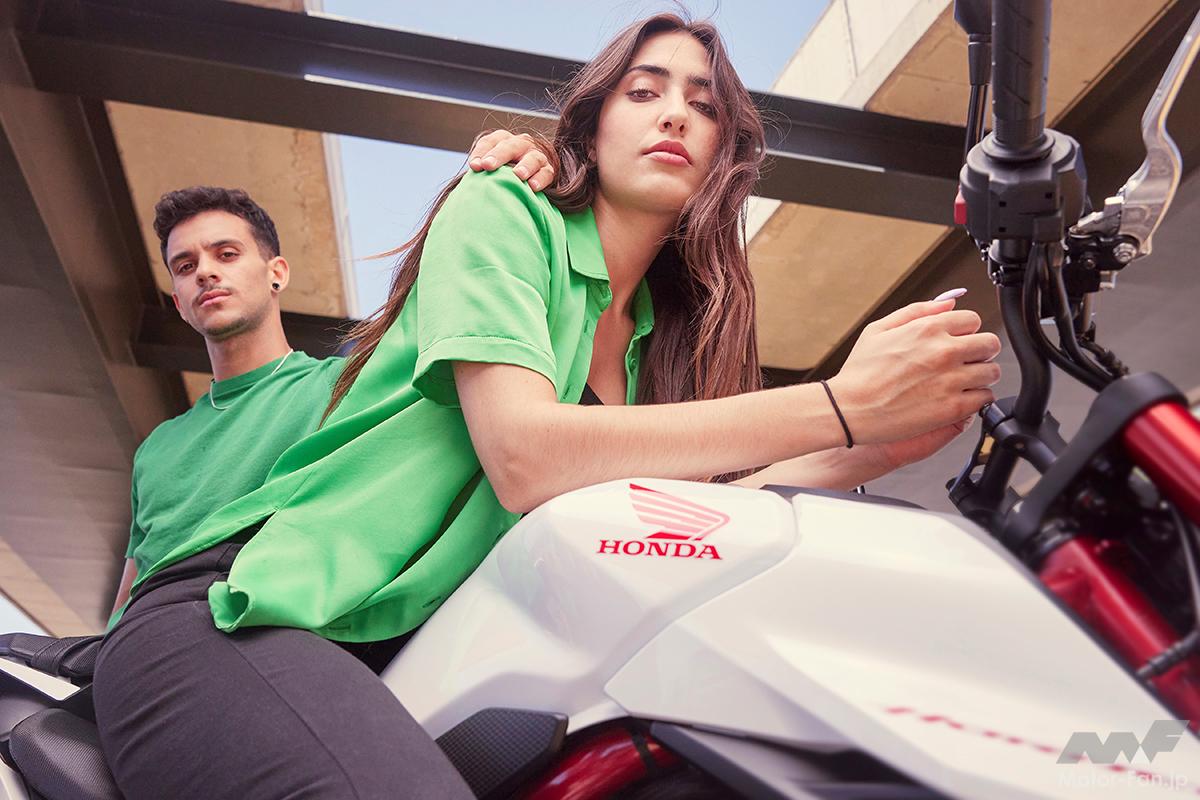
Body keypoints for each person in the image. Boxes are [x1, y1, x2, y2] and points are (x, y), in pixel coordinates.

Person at [93, 13, 1002, 800]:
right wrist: (841, 403)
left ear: (724, 158)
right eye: (644, 91)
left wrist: (867, 444)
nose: (676, 113)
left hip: (400, 666)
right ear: (593, 127)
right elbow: (525, 455)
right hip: (238, 619)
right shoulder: (506, 208)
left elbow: (688, 519)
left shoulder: (657, 341)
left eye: (704, 106)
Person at [110, 131, 557, 622]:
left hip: (262, 619)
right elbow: (128, 593)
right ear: (178, 303)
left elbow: (463, 341)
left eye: (227, 254)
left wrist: (522, 172)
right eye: (185, 265)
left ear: (277, 273)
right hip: (143, 639)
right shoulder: (156, 448)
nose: (205, 272)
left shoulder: (348, 386)